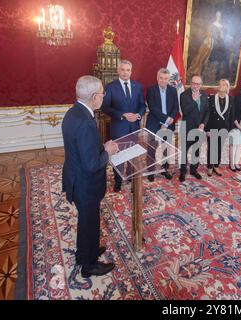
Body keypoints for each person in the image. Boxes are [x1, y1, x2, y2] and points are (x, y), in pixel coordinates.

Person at [62, 75, 119, 278]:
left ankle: (85, 253)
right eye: (102, 92)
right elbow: (92, 164)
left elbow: (82, 150)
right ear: (95, 97)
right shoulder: (86, 122)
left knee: (86, 222)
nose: (104, 96)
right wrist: (108, 151)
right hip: (86, 185)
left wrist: (99, 148)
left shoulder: (72, 113)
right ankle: (89, 266)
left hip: (75, 179)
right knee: (90, 223)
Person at [101, 60, 146, 192]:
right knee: (119, 155)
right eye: (123, 70)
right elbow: (105, 107)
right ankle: (118, 180)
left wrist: (138, 115)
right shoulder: (110, 87)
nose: (125, 72)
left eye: (128, 70)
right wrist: (122, 115)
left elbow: (142, 105)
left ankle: (132, 177)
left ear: (131, 71)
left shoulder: (137, 86)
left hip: (134, 127)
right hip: (119, 127)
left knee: (133, 154)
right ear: (118, 71)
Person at [145, 68, 178, 181]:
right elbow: (153, 108)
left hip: (168, 124)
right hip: (154, 123)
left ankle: (165, 169)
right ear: (157, 78)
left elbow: (175, 107)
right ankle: (151, 171)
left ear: (168, 79)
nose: (163, 81)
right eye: (161, 78)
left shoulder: (173, 90)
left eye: (166, 79)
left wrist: (170, 119)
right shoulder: (151, 90)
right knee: (151, 148)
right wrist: (166, 120)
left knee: (166, 148)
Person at [179, 75, 209, 182]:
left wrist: (203, 124)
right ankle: (183, 171)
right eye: (194, 83)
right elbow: (185, 111)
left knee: (197, 149)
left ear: (201, 85)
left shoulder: (205, 95)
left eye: (198, 84)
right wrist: (194, 100)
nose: (196, 86)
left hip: (199, 128)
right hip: (186, 127)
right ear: (190, 83)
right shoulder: (183, 95)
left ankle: (193, 169)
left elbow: (207, 112)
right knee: (184, 150)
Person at [206, 79, 234, 176]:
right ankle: (210, 166)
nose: (221, 86)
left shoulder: (231, 99)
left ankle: (216, 166)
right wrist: (207, 129)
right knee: (211, 148)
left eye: (224, 85)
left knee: (219, 148)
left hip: (224, 128)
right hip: (212, 127)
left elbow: (232, 116)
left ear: (227, 87)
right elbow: (208, 115)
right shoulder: (211, 98)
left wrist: (229, 129)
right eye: (220, 84)